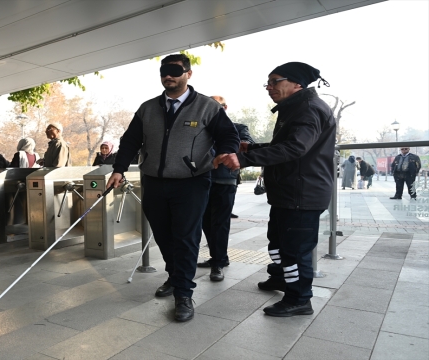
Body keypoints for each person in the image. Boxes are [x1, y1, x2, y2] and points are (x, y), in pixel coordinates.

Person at [106, 54, 239, 322]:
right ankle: (175, 276)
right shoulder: (148, 108)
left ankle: (183, 293)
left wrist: (227, 152)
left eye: (175, 71)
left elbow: (228, 135)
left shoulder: (207, 107)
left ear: (188, 74)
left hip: (192, 183)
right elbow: (130, 141)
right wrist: (118, 169)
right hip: (154, 182)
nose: (169, 76)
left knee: (186, 237)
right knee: (164, 236)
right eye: (164, 72)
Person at [217, 61, 336, 317]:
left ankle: (299, 298)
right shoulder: (294, 108)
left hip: (302, 194)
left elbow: (296, 148)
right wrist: (252, 149)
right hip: (288, 192)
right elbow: (287, 145)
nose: (269, 87)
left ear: (297, 83)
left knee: (295, 250)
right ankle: (282, 279)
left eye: (275, 81)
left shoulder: (308, 109)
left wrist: (245, 160)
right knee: (278, 243)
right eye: (267, 83)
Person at [198, 96, 255, 281]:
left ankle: (218, 262)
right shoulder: (200, 127)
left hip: (224, 180)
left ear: (225, 107)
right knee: (205, 221)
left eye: (218, 107)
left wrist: (230, 148)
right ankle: (219, 256)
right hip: (202, 180)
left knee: (220, 223)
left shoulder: (237, 128)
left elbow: (246, 144)